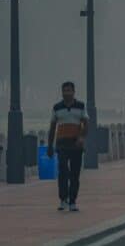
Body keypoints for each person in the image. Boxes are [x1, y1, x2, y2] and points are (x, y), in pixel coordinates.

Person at [46, 81, 88, 212]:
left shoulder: (80, 106)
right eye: (65, 91)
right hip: (62, 144)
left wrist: (81, 137)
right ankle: (63, 199)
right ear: (62, 92)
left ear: (74, 92)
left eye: (69, 90)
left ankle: (73, 201)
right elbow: (52, 127)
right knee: (63, 172)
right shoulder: (57, 108)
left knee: (75, 174)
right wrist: (50, 146)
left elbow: (86, 123)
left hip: (76, 145)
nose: (67, 93)